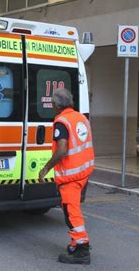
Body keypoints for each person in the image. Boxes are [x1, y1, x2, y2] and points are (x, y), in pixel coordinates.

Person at [39, 88, 94, 265]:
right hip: (83, 172)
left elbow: (62, 149)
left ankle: (82, 248)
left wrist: (46, 168)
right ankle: (76, 242)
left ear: (56, 105)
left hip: (71, 175)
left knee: (72, 213)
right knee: (72, 209)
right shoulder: (81, 118)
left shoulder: (62, 122)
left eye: (52, 105)